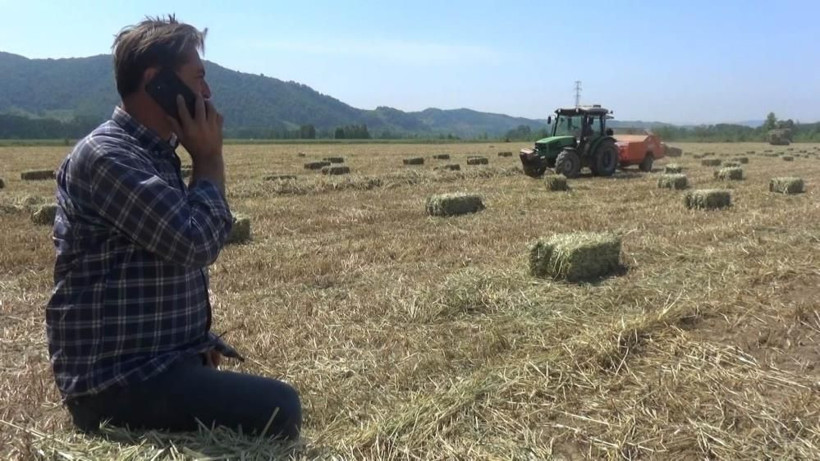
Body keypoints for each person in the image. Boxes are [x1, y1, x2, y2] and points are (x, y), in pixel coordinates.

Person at [46, 15, 301, 440]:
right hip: (115, 385)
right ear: (156, 80)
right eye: (197, 77)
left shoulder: (154, 155)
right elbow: (194, 241)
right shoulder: (107, 156)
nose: (207, 91)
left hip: (152, 365)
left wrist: (195, 344)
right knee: (281, 408)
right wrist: (209, 159)